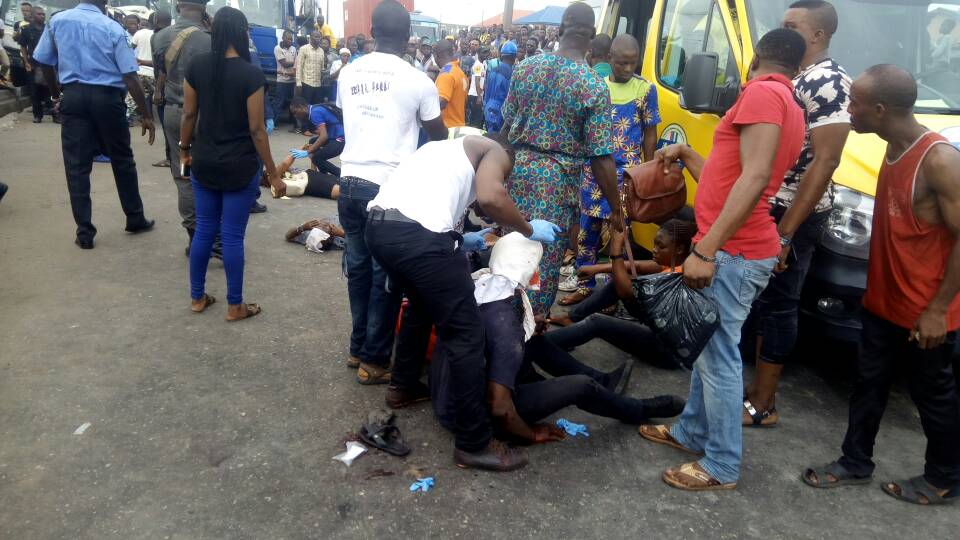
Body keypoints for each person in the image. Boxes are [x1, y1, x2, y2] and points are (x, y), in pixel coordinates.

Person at [637, 28, 807, 491]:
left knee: (718, 357)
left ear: (755, 57)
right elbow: (731, 173)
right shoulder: (785, 102)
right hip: (739, 246)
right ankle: (692, 431)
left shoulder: (763, 96)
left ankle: (722, 464)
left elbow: (753, 179)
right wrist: (689, 153)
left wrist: (706, 248)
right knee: (709, 347)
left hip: (734, 250)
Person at [802, 65, 960, 506]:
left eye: (854, 103)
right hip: (883, 303)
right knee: (868, 383)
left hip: (926, 310)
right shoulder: (889, 146)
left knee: (934, 395)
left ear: (880, 108)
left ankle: (944, 477)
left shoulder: (940, 160)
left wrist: (937, 310)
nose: (847, 109)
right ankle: (855, 462)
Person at [366, 135, 561, 471]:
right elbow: (491, 196)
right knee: (467, 334)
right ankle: (474, 443)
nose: (502, 176)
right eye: (505, 173)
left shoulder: (438, 150)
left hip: (381, 229)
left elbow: (424, 202)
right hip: (418, 239)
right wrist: (528, 229)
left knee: (419, 307)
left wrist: (459, 239)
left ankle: (403, 386)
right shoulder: (495, 150)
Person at [432, 231, 685, 446]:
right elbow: (499, 407)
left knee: (534, 341)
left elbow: (493, 335)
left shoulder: (479, 285)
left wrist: (524, 330)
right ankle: (637, 410)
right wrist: (531, 433)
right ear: (530, 271)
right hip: (474, 414)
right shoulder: (505, 325)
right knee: (579, 386)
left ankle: (604, 383)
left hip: (448, 396)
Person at [741, 0, 852, 428]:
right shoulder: (795, 77)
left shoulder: (829, 81)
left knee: (780, 304)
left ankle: (763, 403)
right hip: (768, 204)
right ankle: (752, 387)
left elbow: (825, 162)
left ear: (819, 35)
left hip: (792, 212)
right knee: (760, 300)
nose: (783, 31)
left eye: (792, 26)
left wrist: (785, 234)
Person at [335, 0, 447, 383]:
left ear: (372, 31)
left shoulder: (349, 73)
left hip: (348, 182)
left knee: (358, 271)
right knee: (386, 278)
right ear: (408, 36)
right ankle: (374, 360)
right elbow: (439, 135)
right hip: (388, 191)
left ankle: (358, 348)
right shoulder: (418, 79)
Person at [501, 2, 623, 319]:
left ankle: (501, 334)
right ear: (593, 37)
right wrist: (617, 209)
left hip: (516, 180)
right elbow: (601, 157)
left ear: (558, 30)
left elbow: (503, 131)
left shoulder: (525, 69)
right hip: (556, 190)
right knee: (540, 268)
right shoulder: (593, 85)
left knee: (509, 260)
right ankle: (523, 349)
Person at [179, 6, 285, 321]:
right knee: (233, 235)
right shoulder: (251, 73)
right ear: (241, 33)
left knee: (204, 231)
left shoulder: (197, 65)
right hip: (240, 166)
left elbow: (188, 114)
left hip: (205, 162)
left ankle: (197, 298)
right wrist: (272, 172)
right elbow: (256, 129)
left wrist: (185, 150)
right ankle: (235, 305)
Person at [32, 0, 157, 249]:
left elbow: (44, 61)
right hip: (108, 99)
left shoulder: (57, 21)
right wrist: (146, 114)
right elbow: (129, 75)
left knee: (77, 166)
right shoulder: (113, 28)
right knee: (122, 159)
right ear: (105, 2)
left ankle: (85, 233)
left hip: (74, 97)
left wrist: (57, 94)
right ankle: (135, 218)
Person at [562, 34, 660, 306]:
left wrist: (648, 170)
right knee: (586, 233)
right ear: (609, 59)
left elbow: (650, 133)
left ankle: (611, 297)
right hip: (594, 172)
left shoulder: (646, 90)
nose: (627, 69)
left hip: (626, 176)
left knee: (618, 239)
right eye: (621, 63)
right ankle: (584, 287)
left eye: (632, 63)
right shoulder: (598, 87)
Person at [550, 218, 694, 337]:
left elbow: (627, 292)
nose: (654, 249)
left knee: (598, 320)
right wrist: (597, 268)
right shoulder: (678, 262)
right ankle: (571, 318)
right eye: (655, 244)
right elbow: (637, 265)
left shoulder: (676, 274)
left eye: (661, 247)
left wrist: (616, 250)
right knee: (620, 282)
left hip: (666, 346)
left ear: (679, 249)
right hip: (658, 324)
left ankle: (546, 344)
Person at [153, 0, 214, 256]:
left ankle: (194, 238)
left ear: (179, 6)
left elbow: (161, 71)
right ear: (204, 7)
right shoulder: (209, 40)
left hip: (174, 115)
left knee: (185, 175)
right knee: (209, 175)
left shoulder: (161, 37)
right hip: (204, 116)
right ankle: (214, 237)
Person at [289, 97, 344, 176]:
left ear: (301, 107)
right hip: (334, 135)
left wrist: (308, 152)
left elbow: (323, 136)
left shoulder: (315, 113)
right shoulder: (314, 109)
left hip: (340, 139)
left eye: (295, 112)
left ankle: (342, 175)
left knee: (317, 159)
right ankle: (323, 173)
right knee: (312, 142)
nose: (295, 116)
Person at [150, 10, 172, 169]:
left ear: (156, 20)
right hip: (176, 86)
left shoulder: (158, 37)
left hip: (164, 86)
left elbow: (161, 66)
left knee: (167, 126)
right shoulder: (176, 34)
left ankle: (170, 158)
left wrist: (157, 90)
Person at [18, 5, 48, 123]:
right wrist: (26, 62)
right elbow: (23, 47)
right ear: (33, 16)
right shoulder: (26, 30)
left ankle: (55, 113)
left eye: (43, 14)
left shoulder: (48, 29)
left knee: (49, 90)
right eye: (39, 14)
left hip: (47, 65)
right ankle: (37, 115)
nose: (42, 16)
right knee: (34, 91)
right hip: (33, 64)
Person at [269, 154, 339, 199]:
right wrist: (299, 151)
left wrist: (311, 157)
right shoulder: (273, 177)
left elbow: (313, 171)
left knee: (345, 186)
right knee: (343, 191)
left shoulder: (285, 173)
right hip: (312, 181)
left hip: (314, 176)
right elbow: (285, 163)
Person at [482, 41, 516, 133]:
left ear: (501, 55)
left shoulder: (493, 70)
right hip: (501, 111)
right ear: (514, 57)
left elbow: (486, 90)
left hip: (488, 106)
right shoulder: (512, 73)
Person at [294, 30, 325, 131]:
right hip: (306, 82)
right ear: (310, 37)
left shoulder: (321, 51)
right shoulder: (304, 49)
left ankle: (313, 128)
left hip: (318, 83)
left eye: (319, 37)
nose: (318, 38)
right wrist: (298, 83)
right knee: (305, 108)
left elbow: (322, 68)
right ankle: (305, 129)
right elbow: (299, 66)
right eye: (315, 36)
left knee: (316, 108)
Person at [434, 39, 468, 129]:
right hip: (458, 126)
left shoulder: (446, 73)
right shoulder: (460, 72)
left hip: (447, 128)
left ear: (437, 55)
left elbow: (440, 102)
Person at [130, 15, 156, 123]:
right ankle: (149, 115)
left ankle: (145, 116)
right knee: (149, 95)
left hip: (141, 69)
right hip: (153, 71)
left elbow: (130, 48)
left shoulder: (137, 34)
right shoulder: (154, 34)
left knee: (140, 94)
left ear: (140, 25)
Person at [273, 30, 297, 128]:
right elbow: (284, 64)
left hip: (292, 80)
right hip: (282, 80)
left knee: (293, 102)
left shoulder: (294, 49)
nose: (290, 41)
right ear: (283, 38)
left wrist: (295, 62)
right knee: (279, 102)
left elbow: (293, 63)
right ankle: (274, 123)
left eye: (291, 39)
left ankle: (292, 121)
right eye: (288, 38)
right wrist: (295, 62)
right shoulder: (277, 48)